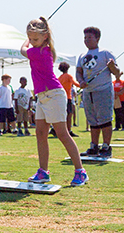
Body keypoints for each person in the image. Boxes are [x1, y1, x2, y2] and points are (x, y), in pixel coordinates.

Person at [21, 17, 87, 186]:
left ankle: (80, 171)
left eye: (35, 39)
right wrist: (30, 39)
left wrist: (25, 41)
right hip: (43, 97)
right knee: (41, 134)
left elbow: (22, 50)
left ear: (45, 37)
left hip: (54, 95)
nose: (32, 42)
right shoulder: (43, 49)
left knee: (62, 133)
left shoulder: (40, 51)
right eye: (31, 39)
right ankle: (43, 172)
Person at [76, 26, 120, 158]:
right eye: (85, 38)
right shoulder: (82, 56)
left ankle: (106, 146)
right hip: (88, 92)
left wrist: (112, 67)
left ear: (97, 38)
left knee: (105, 119)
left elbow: (117, 73)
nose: (86, 40)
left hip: (103, 90)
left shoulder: (105, 53)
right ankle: (94, 146)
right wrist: (81, 81)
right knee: (92, 120)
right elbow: (79, 72)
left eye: (89, 37)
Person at [57, 61, 80, 137]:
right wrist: (83, 84)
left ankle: (60, 130)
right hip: (68, 98)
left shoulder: (59, 78)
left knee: (62, 115)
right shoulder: (69, 76)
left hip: (61, 98)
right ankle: (69, 131)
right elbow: (76, 84)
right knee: (69, 115)